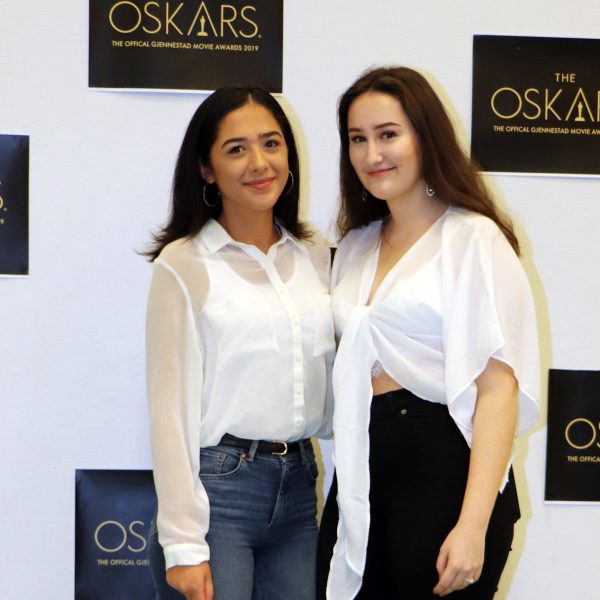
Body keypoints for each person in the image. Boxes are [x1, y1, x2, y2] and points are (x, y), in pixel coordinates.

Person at [316, 67, 540, 599]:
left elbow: (498, 389)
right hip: (362, 472)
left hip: (445, 467)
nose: (372, 154)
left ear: (425, 136)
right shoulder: (355, 246)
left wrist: (473, 525)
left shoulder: (474, 238)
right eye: (358, 139)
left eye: (388, 134)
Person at [144, 85, 335, 600]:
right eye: (236, 149)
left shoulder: (316, 255)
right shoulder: (184, 264)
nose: (259, 163)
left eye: (271, 143)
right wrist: (183, 544)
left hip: (300, 485)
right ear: (206, 169)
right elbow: (169, 410)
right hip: (220, 493)